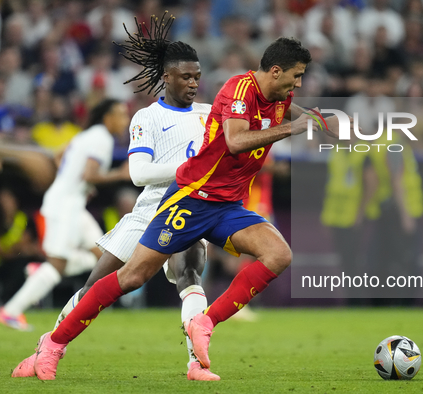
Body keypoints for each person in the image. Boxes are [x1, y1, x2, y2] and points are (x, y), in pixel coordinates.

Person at [31, 37, 336, 381]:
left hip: (226, 205)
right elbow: (234, 142)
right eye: (296, 76)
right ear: (276, 71)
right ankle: (52, 345)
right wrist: (295, 128)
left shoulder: (267, 99)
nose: (299, 84)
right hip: (187, 199)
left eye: (196, 77)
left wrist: (321, 120)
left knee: (277, 254)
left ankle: (204, 326)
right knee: (129, 277)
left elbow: (289, 113)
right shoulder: (228, 93)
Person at [11, 14, 217, 381]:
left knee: (189, 273)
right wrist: (190, 167)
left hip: (189, 209)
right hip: (149, 210)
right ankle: (49, 346)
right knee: (95, 285)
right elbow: (138, 173)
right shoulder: (146, 118)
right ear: (167, 77)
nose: (193, 84)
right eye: (186, 76)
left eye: (197, 77)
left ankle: (197, 364)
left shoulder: (208, 113)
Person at [0, 98, 129, 333]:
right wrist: (120, 174)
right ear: (107, 118)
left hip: (72, 203)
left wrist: (70, 180)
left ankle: (41, 273)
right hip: (65, 206)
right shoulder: (102, 139)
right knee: (59, 265)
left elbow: (60, 155)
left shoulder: (86, 135)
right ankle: (10, 311)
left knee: (103, 257)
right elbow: (90, 175)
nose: (125, 120)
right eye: (121, 115)